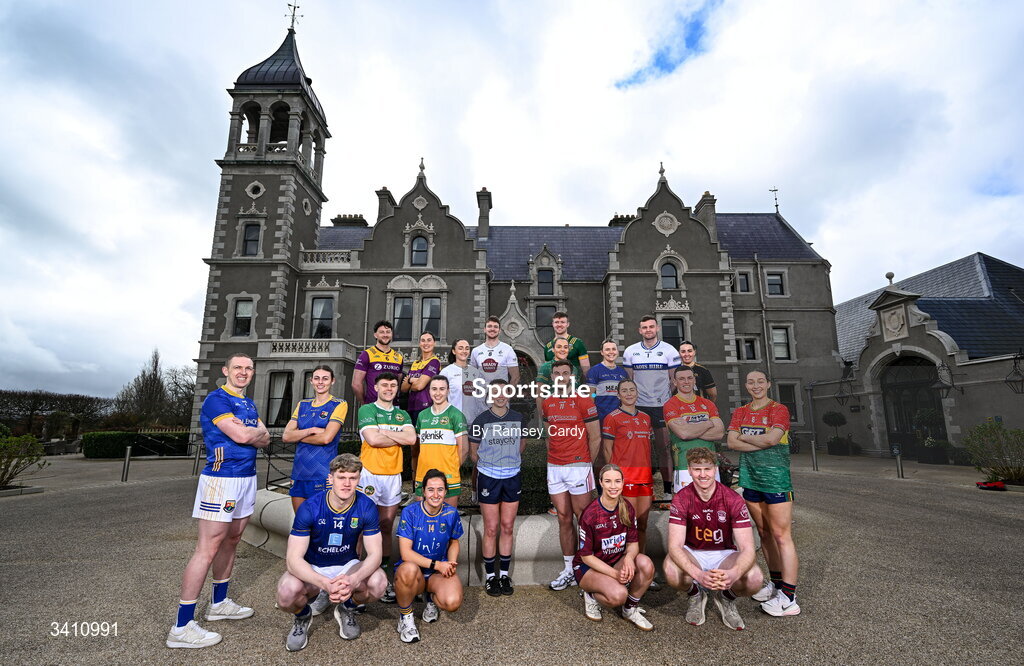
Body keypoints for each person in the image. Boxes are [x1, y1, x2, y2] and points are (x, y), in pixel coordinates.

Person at [166, 353, 270, 649]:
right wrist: (250, 433)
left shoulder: (248, 404)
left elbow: (264, 437)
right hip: (221, 479)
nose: (243, 372)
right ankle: (182, 625)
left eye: (249, 368)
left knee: (233, 540)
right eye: (238, 367)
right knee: (207, 548)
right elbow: (240, 434)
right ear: (226, 370)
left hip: (247, 478)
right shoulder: (216, 399)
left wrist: (251, 434)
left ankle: (219, 603)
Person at [275, 454, 388, 651]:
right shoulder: (310, 507)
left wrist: (353, 581)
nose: (347, 484)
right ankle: (302, 617)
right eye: (341, 477)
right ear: (330, 479)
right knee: (286, 594)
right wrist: (325, 584)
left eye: (352, 478)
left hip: (347, 565)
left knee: (379, 583)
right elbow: (293, 560)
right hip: (315, 566)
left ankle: (347, 608)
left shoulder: (366, 506)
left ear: (359, 480)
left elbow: (375, 555)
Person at [663, 447, 763, 630]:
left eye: (707, 469)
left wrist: (734, 574)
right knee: (671, 570)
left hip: (724, 553)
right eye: (697, 469)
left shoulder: (732, 499)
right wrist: (698, 575)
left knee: (754, 578)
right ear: (690, 471)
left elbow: (748, 548)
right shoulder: (681, 498)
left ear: (715, 469)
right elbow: (675, 547)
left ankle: (726, 598)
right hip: (694, 552)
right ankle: (696, 595)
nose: (702, 475)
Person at [727, 370, 800, 617]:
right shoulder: (741, 412)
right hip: (751, 479)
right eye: (751, 382)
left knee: (782, 535)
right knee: (765, 533)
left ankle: (789, 598)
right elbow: (731, 443)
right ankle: (777, 585)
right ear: (746, 385)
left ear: (768, 383)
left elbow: (772, 439)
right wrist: (760, 438)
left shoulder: (778, 410)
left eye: (760, 381)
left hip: (776, 480)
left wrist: (746, 436)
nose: (755, 385)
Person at [357, 372, 417, 604]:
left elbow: (411, 439)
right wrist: (398, 435)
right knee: (362, 526)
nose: (390, 388)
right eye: (385, 385)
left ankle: (382, 575)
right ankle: (359, 576)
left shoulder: (401, 414)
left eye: (393, 385)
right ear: (376, 387)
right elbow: (372, 439)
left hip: (393, 475)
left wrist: (385, 432)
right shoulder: (367, 410)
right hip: (370, 475)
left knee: (386, 526)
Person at [574, 464, 655, 630]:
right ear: (601, 483)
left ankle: (629, 609)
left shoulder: (627, 508)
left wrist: (630, 559)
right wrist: (615, 574)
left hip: (615, 560)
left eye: (617, 481)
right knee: (618, 595)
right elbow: (586, 556)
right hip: (587, 566)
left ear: (623, 482)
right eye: (608, 481)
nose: (613, 486)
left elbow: (633, 543)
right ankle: (591, 595)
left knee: (646, 564)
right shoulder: (590, 514)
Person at [542, 360, 601, 591]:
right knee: (563, 518)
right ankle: (569, 569)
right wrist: (554, 458)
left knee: (584, 519)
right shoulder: (547, 402)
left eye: (565, 373)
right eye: (557, 373)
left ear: (572, 376)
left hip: (579, 466)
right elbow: (548, 436)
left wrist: (587, 464)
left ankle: (587, 568)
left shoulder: (583, 399)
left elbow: (595, 437)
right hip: (555, 467)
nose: (561, 377)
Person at [469, 378, 527, 596]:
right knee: (491, 528)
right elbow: (474, 452)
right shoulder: (480, 420)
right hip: (488, 477)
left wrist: (508, 461)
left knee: (507, 526)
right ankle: (491, 577)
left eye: (505, 391)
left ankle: (504, 575)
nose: (501, 395)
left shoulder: (518, 418)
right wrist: (491, 465)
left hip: (512, 476)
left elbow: (522, 444)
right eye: (496, 391)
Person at [394, 469, 465, 643]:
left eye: (440, 489)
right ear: (423, 491)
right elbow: (406, 553)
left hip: (436, 572)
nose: (435, 494)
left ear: (446, 491)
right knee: (408, 569)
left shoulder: (451, 513)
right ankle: (406, 617)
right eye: (431, 489)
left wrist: (451, 561)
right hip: (415, 572)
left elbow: (454, 541)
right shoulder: (410, 512)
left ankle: (429, 598)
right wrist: (437, 565)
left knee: (452, 602)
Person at [623, 315, 681, 499]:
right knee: (639, 450)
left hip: (661, 406)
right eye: (644, 327)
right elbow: (629, 381)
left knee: (664, 448)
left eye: (651, 327)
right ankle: (644, 488)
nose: (648, 330)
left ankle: (666, 490)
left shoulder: (669, 350)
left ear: (657, 329)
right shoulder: (631, 351)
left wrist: (662, 397)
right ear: (640, 330)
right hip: (639, 407)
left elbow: (675, 380)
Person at [282, 365, 348, 513]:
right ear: (311, 381)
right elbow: (286, 436)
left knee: (321, 524)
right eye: (317, 378)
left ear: (332, 381)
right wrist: (311, 431)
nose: (320, 382)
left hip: (323, 473)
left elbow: (326, 438)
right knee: (300, 523)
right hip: (299, 473)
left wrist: (297, 436)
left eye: (325, 378)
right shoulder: (302, 404)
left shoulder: (339, 404)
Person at [601, 380, 654, 552]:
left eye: (632, 390)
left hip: (645, 479)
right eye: (624, 390)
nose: (629, 393)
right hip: (626, 478)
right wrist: (614, 479)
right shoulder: (612, 418)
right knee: (628, 525)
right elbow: (607, 449)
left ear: (637, 393)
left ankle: (642, 565)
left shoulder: (646, 418)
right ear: (618, 395)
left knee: (643, 524)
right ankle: (626, 568)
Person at [664, 366, 725, 492]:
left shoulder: (708, 403)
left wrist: (691, 429)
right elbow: (683, 434)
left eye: (689, 378)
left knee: (712, 505)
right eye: (681, 379)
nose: (686, 382)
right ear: (675, 382)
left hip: (710, 464)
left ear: (694, 381)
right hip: (684, 465)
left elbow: (719, 433)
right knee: (687, 508)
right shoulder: (670, 405)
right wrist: (708, 423)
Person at [415, 375, 468, 507]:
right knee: (422, 520)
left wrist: (452, 468)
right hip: (423, 475)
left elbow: (464, 449)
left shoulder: (456, 415)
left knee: (447, 520)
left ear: (448, 391)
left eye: (442, 389)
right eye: (434, 389)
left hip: (449, 477)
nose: (438, 393)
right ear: (429, 391)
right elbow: (417, 449)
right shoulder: (422, 415)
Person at [403, 332, 441, 476]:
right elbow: (403, 388)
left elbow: (419, 386)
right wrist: (414, 382)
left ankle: (428, 480)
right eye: (423, 340)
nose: (426, 343)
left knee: (425, 448)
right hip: (412, 408)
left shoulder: (434, 362)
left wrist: (412, 380)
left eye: (429, 340)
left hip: (426, 408)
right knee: (414, 449)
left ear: (434, 343)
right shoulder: (415, 363)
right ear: (419, 343)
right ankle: (415, 484)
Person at [351, 320, 404, 405]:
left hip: (393, 406)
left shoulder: (398, 357)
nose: (385, 335)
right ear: (375, 335)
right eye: (382, 332)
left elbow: (398, 382)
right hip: (373, 405)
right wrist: (364, 403)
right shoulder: (366, 354)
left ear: (391, 334)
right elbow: (356, 384)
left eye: (388, 332)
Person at [439, 338, 487, 426]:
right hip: (454, 422)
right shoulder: (446, 372)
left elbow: (482, 399)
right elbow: (441, 398)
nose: (464, 351)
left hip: (474, 422)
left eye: (467, 348)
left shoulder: (476, 373)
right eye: (460, 348)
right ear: (454, 351)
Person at [587, 339, 629, 425]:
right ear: (602, 352)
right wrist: (596, 395)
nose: (611, 352)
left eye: (614, 349)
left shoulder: (623, 373)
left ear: (617, 351)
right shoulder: (594, 371)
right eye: (607, 349)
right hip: (601, 416)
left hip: (619, 416)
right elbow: (591, 395)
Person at [471, 316, 521, 385]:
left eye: (495, 327)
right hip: (481, 394)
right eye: (489, 326)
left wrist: (508, 393)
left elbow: (515, 377)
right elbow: (472, 376)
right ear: (484, 329)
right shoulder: (476, 351)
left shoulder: (508, 349)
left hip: (500, 394)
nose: (492, 329)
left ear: (499, 330)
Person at [543, 311, 591, 375]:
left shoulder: (578, 343)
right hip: (554, 384)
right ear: (552, 324)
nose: (559, 325)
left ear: (568, 324)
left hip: (573, 383)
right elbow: (546, 371)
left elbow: (586, 370)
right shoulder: (548, 346)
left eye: (562, 322)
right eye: (556, 322)